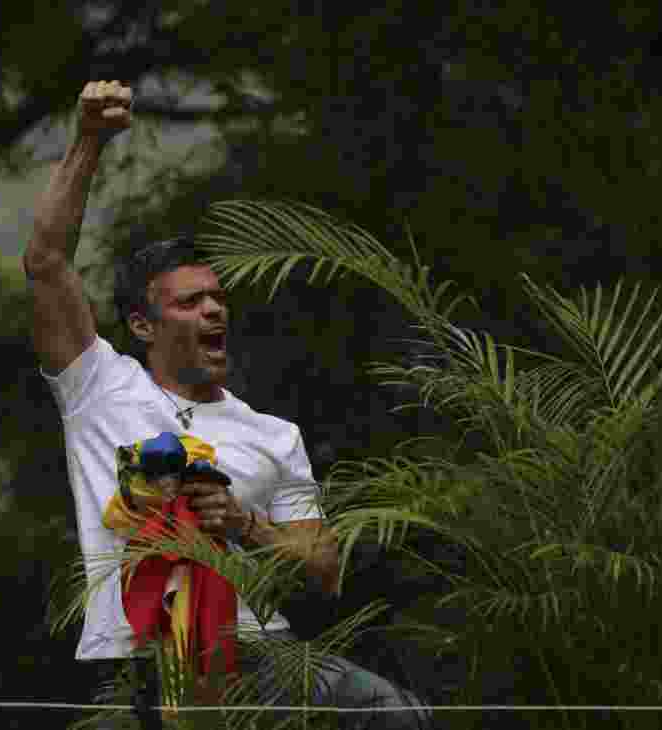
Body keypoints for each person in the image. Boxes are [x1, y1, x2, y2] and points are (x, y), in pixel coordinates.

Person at [24, 79, 434, 730]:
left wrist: (245, 524)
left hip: (265, 658)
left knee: (393, 713)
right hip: (152, 651)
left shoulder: (272, 434)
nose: (214, 309)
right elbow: (46, 261)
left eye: (217, 299)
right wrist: (88, 141)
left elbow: (324, 568)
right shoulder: (102, 388)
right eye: (189, 302)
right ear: (143, 325)